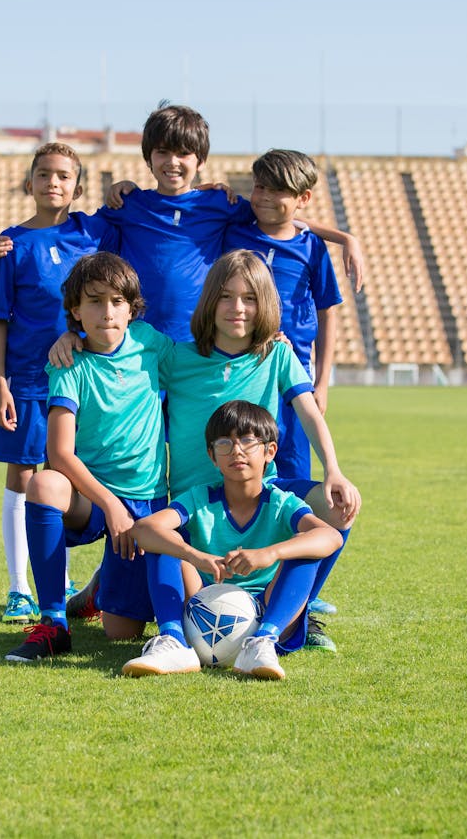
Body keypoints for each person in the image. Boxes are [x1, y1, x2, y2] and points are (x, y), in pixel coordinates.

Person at [123, 249, 361, 673]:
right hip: (196, 505)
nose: (237, 308)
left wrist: (334, 471)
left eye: (250, 298)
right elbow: (120, 346)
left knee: (336, 511)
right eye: (227, 296)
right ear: (210, 301)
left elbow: (309, 412)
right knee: (143, 571)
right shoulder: (177, 358)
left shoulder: (276, 355)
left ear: (264, 303)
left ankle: (289, 617)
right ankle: (171, 638)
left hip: (256, 495)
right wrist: (75, 337)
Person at [0, 103, 366, 346]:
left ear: (200, 160)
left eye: (184, 153)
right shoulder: (129, 203)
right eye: (162, 152)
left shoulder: (221, 203)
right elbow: (66, 229)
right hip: (137, 344)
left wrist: (343, 237)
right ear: (148, 159)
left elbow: (279, 214)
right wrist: (3, 242)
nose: (173, 162)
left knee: (192, 450)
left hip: (199, 343)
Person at [4, 252, 171, 662]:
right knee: (43, 482)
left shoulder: (154, 345)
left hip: (146, 502)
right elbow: (58, 453)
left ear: (132, 308)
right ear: (75, 310)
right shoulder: (67, 362)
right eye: (94, 301)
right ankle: (53, 622)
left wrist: (267, 339)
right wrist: (110, 503)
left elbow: (207, 361)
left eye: (117, 302)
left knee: (121, 632)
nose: (106, 312)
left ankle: (98, 590)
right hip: (91, 499)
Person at [0, 142, 119, 624]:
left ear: (77, 187)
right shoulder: (10, 245)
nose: (53, 183)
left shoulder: (92, 231)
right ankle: (19, 587)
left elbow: (131, 216)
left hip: (80, 379)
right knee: (22, 477)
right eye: (44, 175)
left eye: (64, 176)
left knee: (63, 479)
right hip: (24, 380)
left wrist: (122, 189)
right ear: (29, 183)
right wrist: (0, 383)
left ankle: (55, 579)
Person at [124, 400, 343, 680]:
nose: (236, 451)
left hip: (266, 610)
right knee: (162, 541)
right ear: (212, 456)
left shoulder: (280, 503)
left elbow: (330, 536)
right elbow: (143, 530)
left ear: (270, 451)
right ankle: (173, 640)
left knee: (305, 550)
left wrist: (270, 553)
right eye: (225, 443)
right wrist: (195, 555)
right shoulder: (199, 498)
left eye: (248, 441)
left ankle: (263, 643)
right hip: (202, 606)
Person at [222, 149, 346, 616]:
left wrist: (323, 379)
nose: (264, 198)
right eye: (259, 187)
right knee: (243, 474)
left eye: (278, 191)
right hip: (245, 372)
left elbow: (327, 309)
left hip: (291, 382)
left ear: (303, 198)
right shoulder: (234, 229)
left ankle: (296, 599)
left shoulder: (312, 247)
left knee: (289, 488)